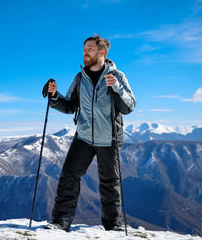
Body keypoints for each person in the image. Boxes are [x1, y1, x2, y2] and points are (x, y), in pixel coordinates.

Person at [45, 35, 136, 232]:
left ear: (102, 53)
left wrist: (116, 87)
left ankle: (114, 227)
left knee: (110, 183)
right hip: (84, 137)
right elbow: (69, 105)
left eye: (90, 48)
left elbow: (129, 107)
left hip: (109, 138)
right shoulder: (80, 78)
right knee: (69, 175)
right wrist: (54, 96)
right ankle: (60, 222)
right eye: (84, 48)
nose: (85, 51)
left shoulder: (117, 76)